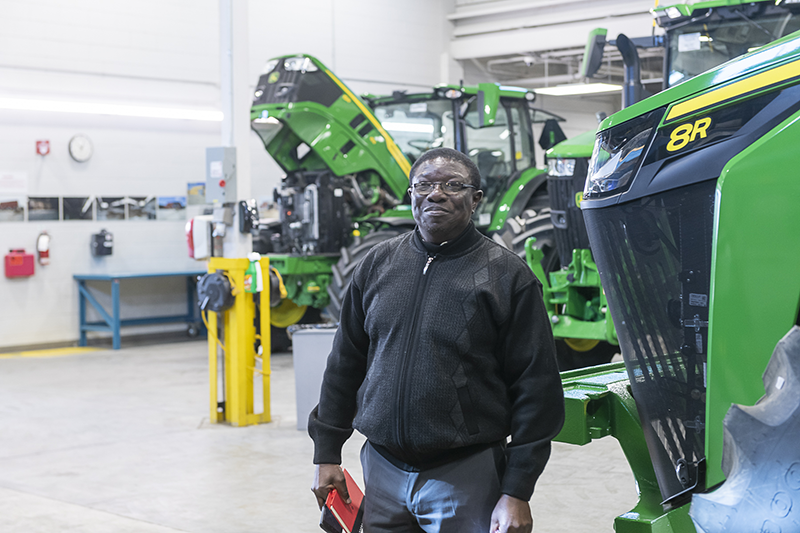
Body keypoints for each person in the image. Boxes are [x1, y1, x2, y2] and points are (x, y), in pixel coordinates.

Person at [309, 147, 565, 533]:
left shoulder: (507, 277)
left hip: (465, 474)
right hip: (381, 469)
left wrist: (517, 491)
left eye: (452, 185)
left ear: (476, 199)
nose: (436, 193)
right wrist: (326, 452)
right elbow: (345, 363)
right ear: (411, 194)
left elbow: (537, 389)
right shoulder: (377, 265)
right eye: (424, 184)